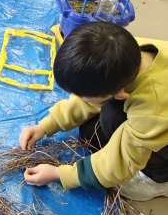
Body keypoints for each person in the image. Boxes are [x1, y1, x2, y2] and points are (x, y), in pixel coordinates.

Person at [19, 22, 168, 201]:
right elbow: (91, 94)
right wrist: (45, 126)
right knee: (95, 129)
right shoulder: (121, 52)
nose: (78, 98)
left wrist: (60, 174)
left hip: (161, 122)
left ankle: (158, 179)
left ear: (119, 93)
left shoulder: (152, 110)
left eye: (84, 96)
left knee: (118, 162)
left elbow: (118, 165)